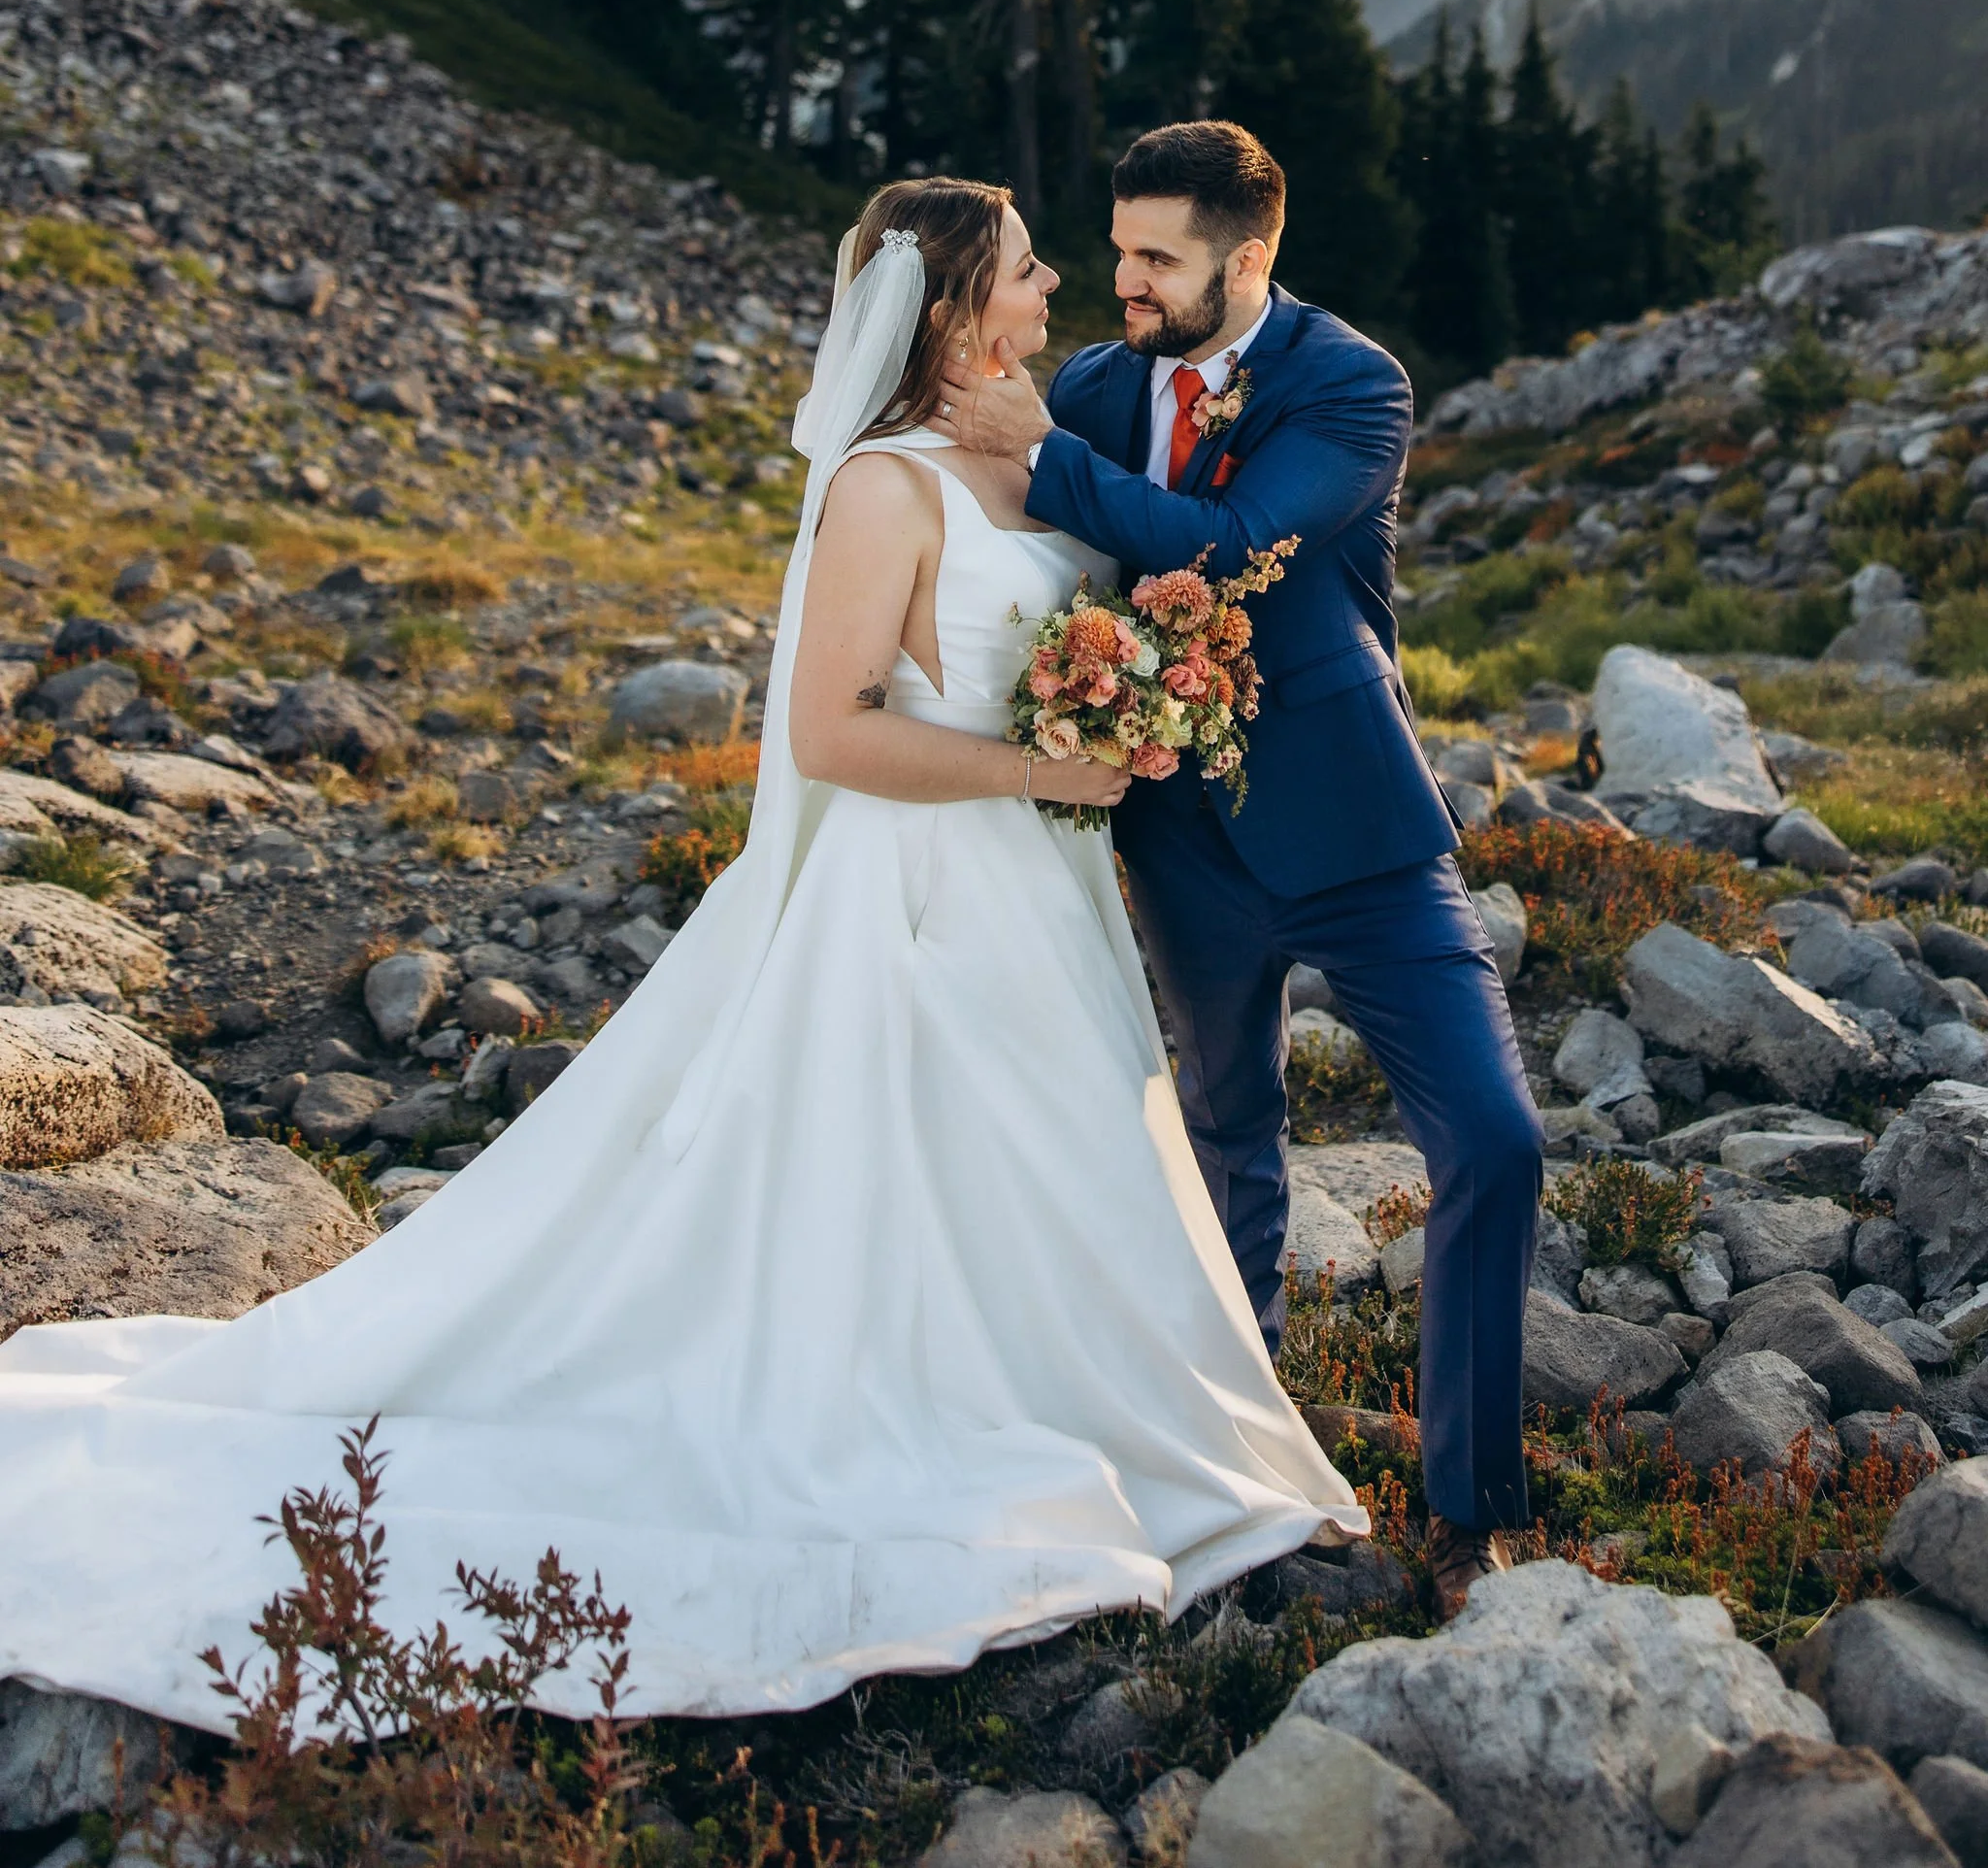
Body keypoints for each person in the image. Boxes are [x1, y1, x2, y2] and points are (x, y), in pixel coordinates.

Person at [0, 176, 1361, 1734]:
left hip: (1040, 899)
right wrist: (1046, 772)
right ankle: (944, 1436)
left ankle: (1110, 1413)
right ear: (953, 307)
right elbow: (832, 731)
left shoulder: (1027, 443)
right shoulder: (881, 489)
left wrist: (1124, 692)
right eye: (1027, 266)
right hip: (926, 885)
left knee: (1060, 1159)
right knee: (924, 1175)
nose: (1055, 281)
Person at [937, 120, 1544, 1622]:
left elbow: (1226, 551)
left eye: (1158, 258)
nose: (1124, 283)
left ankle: (1472, 1511)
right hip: (1175, 838)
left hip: (1356, 832)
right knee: (1227, 1140)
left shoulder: (1353, 384)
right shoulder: (1089, 383)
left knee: (1497, 1139)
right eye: (1120, 248)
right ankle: (1245, 1457)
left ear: (1249, 257)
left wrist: (1048, 459)